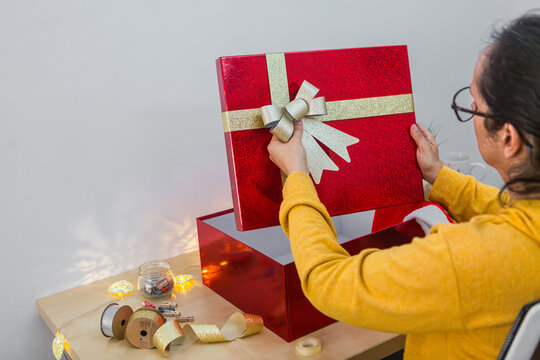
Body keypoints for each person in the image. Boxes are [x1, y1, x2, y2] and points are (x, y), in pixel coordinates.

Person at [267, 12, 540, 360]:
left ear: (508, 137)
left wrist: (296, 179)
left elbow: (328, 281)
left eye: (475, 107)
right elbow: (513, 214)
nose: (470, 108)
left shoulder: (468, 260)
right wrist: (439, 175)